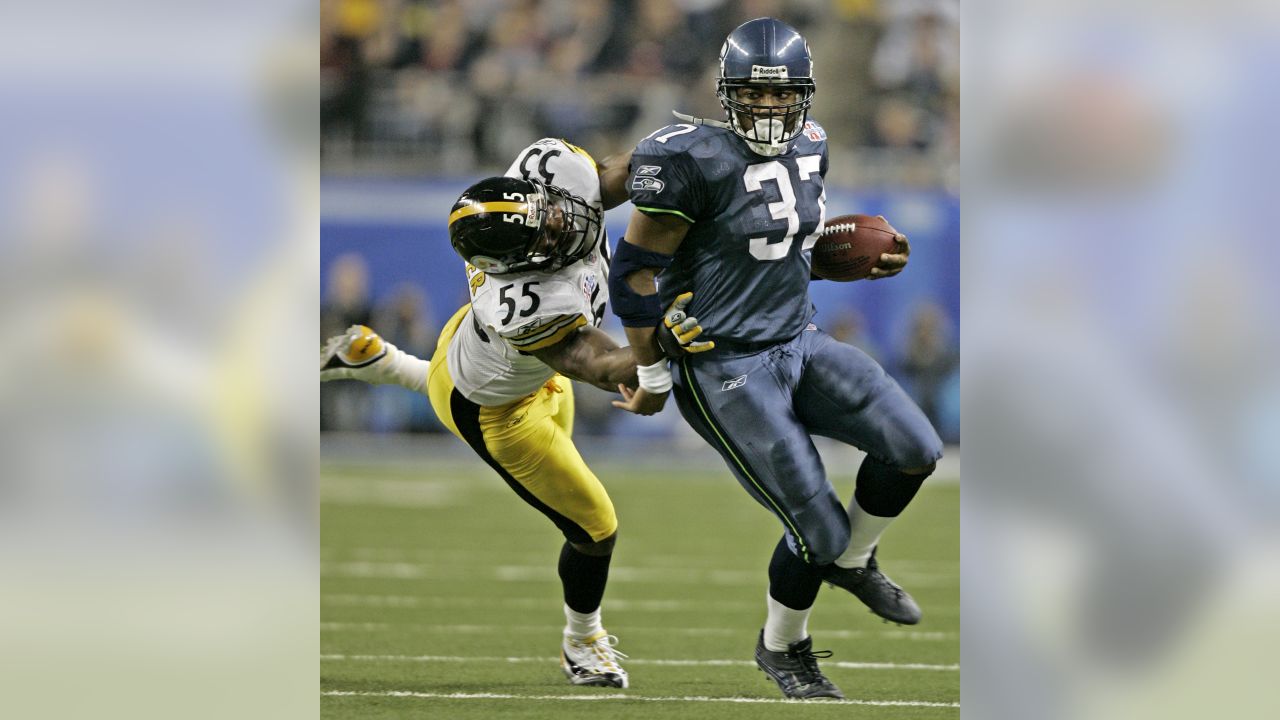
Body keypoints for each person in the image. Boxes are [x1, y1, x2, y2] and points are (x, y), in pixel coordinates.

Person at [604, 18, 944, 700]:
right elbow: (633, 275)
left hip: (797, 339)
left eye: (780, 95)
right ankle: (784, 647)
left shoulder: (813, 145)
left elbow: (779, 250)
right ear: (726, 93)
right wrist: (649, 371)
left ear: (804, 96)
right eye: (752, 94)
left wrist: (849, 261)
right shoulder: (688, 159)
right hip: (724, 366)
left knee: (915, 447)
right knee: (815, 527)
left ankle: (857, 558)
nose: (767, 108)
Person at [320, 138, 709, 690]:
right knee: (595, 528)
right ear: (514, 263)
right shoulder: (522, 303)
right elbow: (596, 364)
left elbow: (617, 174)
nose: (560, 223)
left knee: (471, 393)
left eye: (547, 212)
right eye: (546, 235)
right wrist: (661, 346)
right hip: (497, 409)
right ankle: (583, 640)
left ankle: (380, 360)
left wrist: (677, 163)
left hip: (482, 360)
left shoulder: (549, 171)